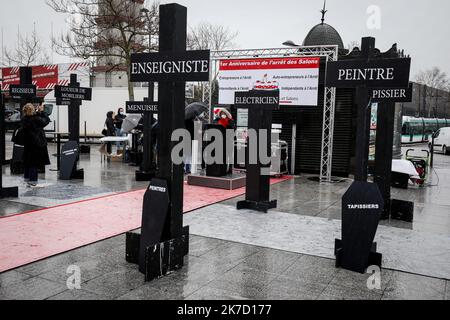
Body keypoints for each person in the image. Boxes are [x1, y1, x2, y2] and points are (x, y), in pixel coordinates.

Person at [21, 103, 51, 188]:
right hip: (37, 144)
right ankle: (33, 181)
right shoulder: (36, 119)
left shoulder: (24, 119)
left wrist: (37, 113)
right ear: (32, 110)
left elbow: (33, 118)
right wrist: (42, 112)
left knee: (28, 161)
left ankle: (27, 178)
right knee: (34, 163)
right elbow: (46, 121)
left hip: (28, 143)